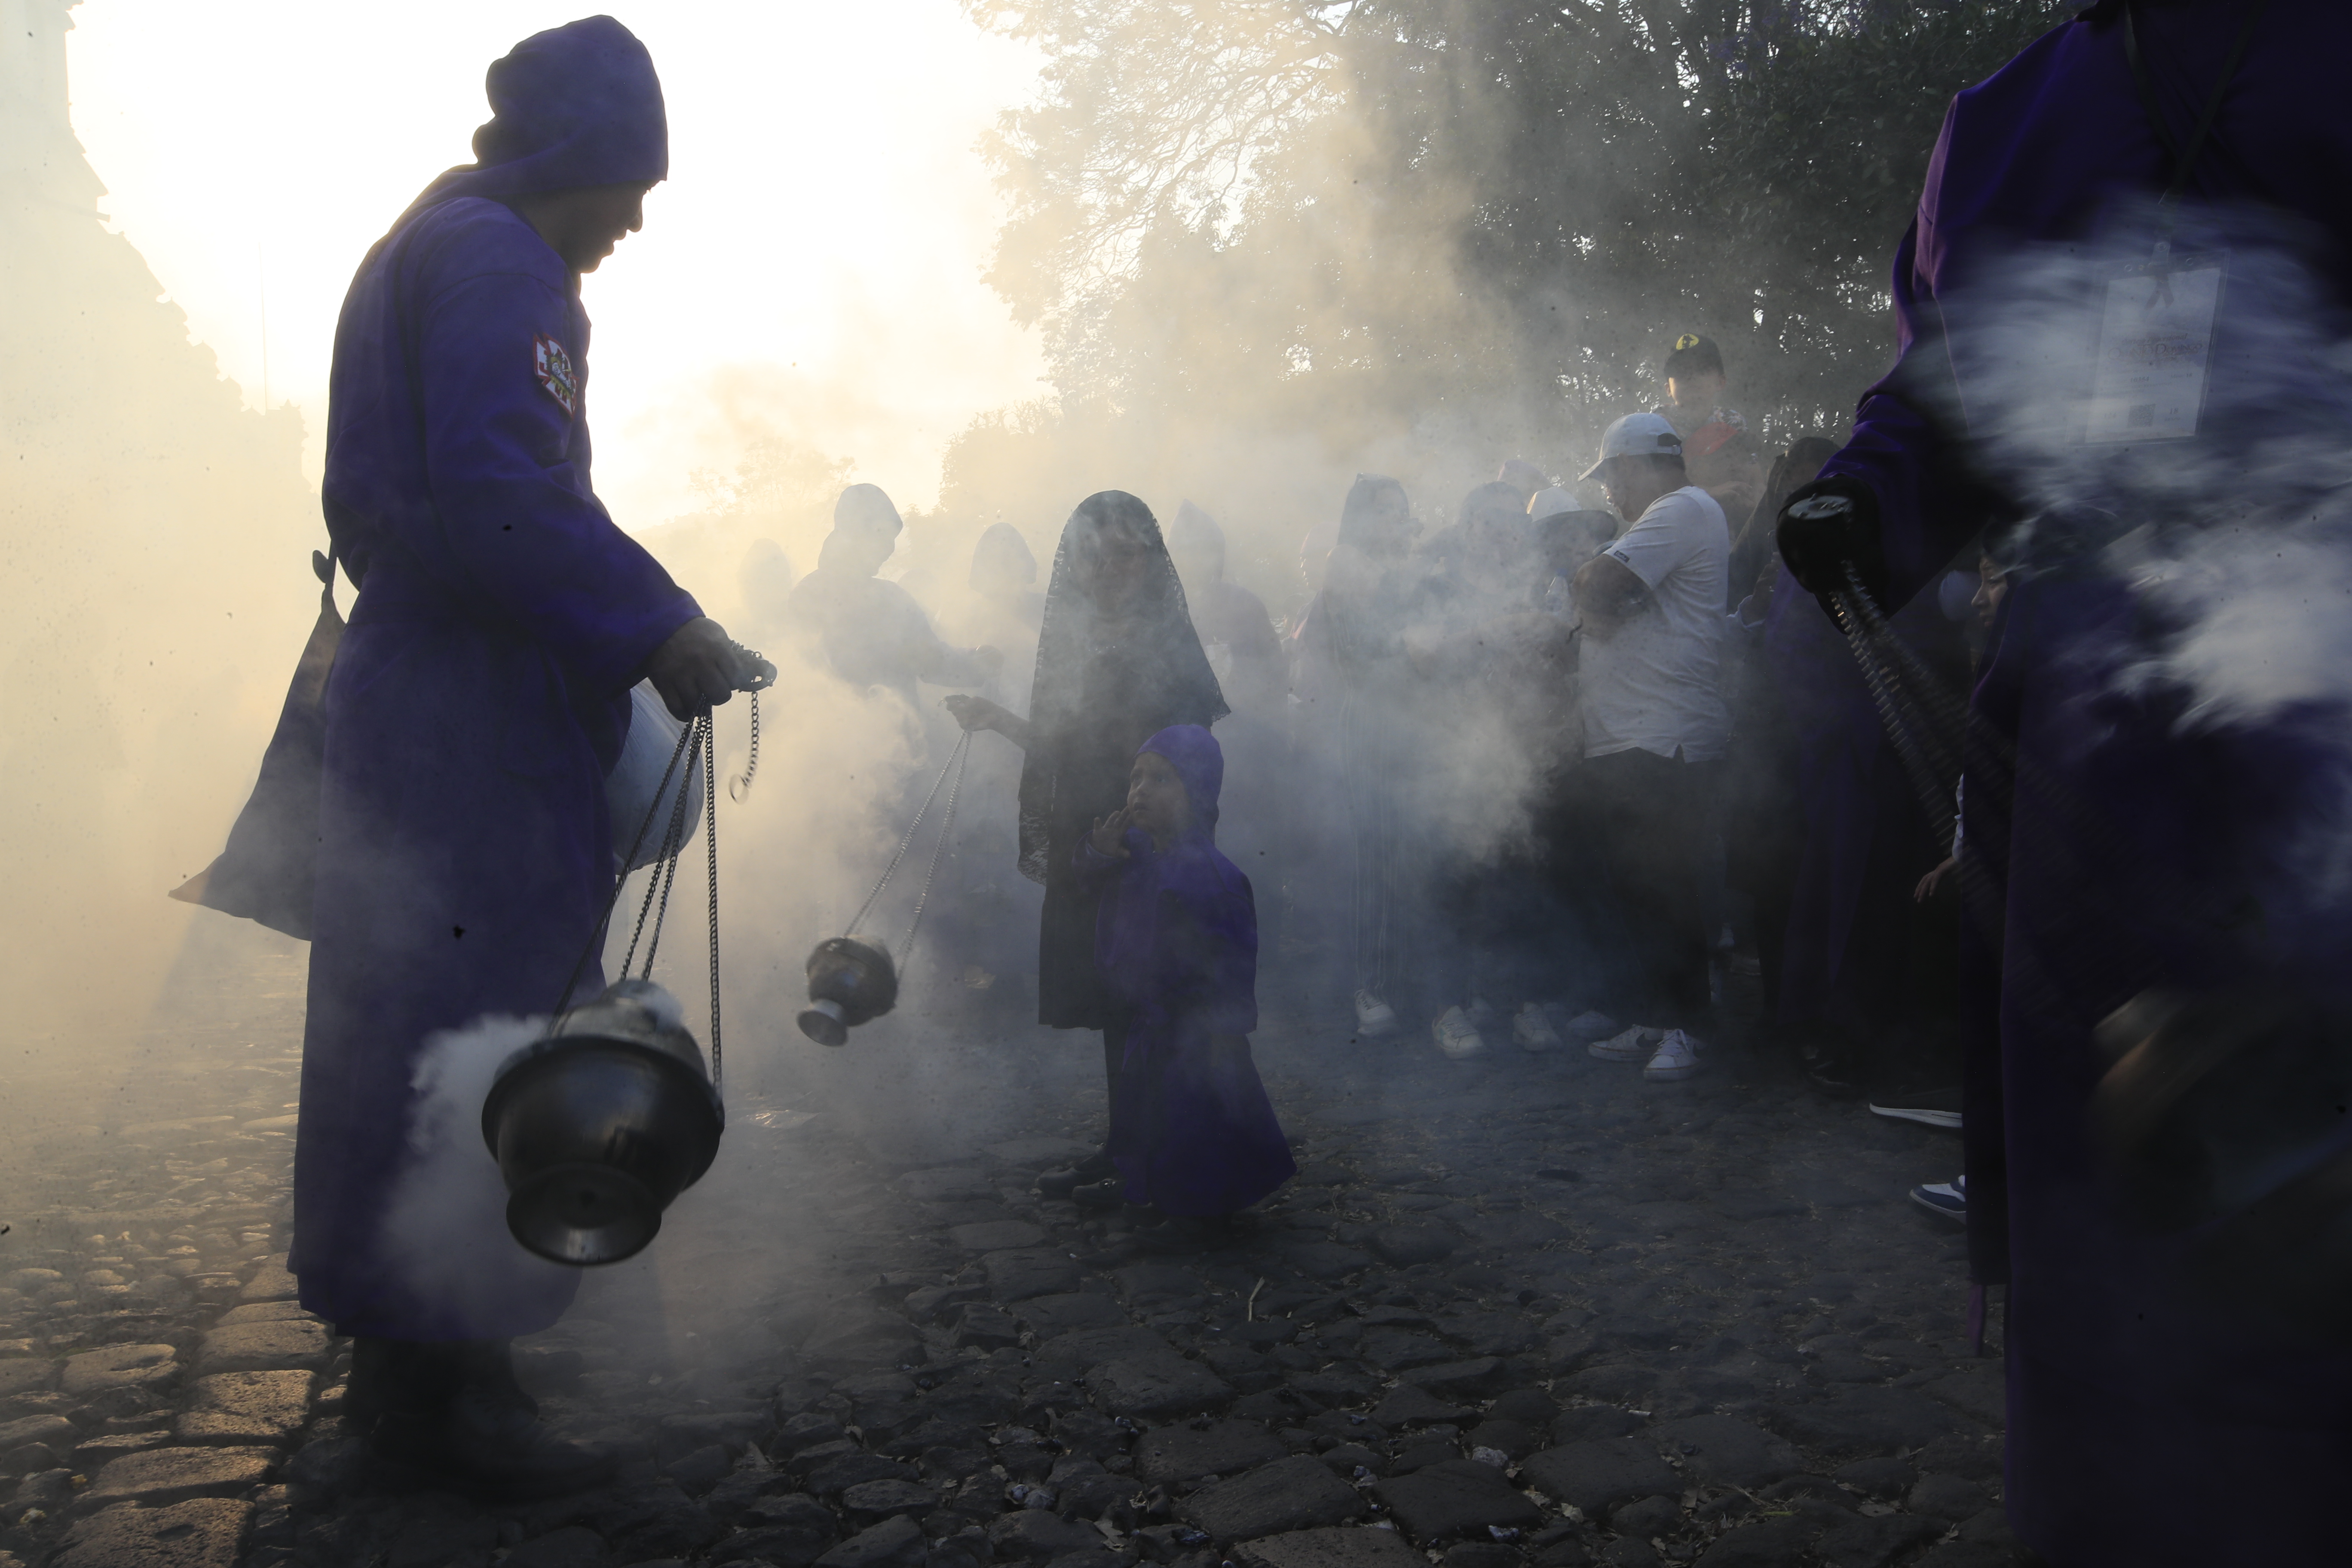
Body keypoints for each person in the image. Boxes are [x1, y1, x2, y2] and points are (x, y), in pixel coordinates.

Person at [1772, 4, 2352, 1560]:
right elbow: (1947, 396)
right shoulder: (2016, 104)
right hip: (2087, 753)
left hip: (2316, 720)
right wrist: (1860, 499)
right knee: (2106, 1206)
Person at [299, 17, 763, 1496]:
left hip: (420, 691)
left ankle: (414, 1363)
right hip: (471, 705)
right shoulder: (503, 266)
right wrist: (660, 624)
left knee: (414, 1029)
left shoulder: (418, 247)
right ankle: (452, 1390)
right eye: (627, 185)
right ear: (574, 158)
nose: (632, 221)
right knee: (486, 1025)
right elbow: (502, 496)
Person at [945, 493, 1228, 1187]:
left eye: (1124, 552)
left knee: (1165, 997)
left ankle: (1181, 1149)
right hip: (1092, 836)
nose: (1108, 568)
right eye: (1092, 554)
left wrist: (1151, 806)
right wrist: (997, 718)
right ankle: (1125, 1146)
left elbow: (1198, 742)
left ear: (1149, 556)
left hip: (1157, 841)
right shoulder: (1072, 636)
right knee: (1113, 996)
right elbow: (1062, 743)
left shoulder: (1165, 631)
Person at [1564, 413, 1729, 1083]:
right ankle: (1659, 1015)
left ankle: (1690, 1026)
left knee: (1667, 888)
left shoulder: (1683, 509)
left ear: (1628, 466)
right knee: (1638, 890)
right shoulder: (1658, 522)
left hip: (1663, 736)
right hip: (1630, 735)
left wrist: (1591, 594)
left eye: (1609, 475)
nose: (1608, 491)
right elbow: (1597, 607)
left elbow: (1594, 589)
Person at [1075, 726, 1295, 1225]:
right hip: (1151, 1021)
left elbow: (1232, 954)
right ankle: (1151, 1192)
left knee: (1196, 1122)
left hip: (1197, 1027)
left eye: (1161, 779)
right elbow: (1088, 884)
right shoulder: (1132, 849)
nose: (1140, 790)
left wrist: (1226, 1024)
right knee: (1150, 1116)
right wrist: (1098, 853)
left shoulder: (1210, 875)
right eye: (1136, 778)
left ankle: (1198, 1217)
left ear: (1197, 793)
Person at [785, 484, 998, 710]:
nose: (888, 548)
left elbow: (929, 657)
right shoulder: (809, 595)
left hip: (899, 734)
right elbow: (804, 673)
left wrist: (975, 662)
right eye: (880, 535)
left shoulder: (893, 597)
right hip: (832, 731)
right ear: (854, 534)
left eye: (891, 538)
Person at [1655, 334, 1765, 522]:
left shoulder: (1732, 421)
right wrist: (1712, 492)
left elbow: (1755, 478)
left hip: (1729, 518)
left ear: (1721, 382)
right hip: (1676, 519)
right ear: (1668, 388)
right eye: (1681, 373)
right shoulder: (1657, 424)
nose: (1691, 377)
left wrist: (1761, 512)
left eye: (1702, 370)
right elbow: (1659, 485)